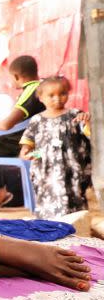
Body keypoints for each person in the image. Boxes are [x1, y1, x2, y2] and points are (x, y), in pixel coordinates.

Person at [19, 76, 92, 219]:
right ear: (40, 98)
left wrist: (88, 122)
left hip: (72, 167)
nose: (57, 98)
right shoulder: (37, 120)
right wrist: (26, 151)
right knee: (48, 196)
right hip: (45, 168)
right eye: (51, 95)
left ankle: (75, 226)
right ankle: (50, 227)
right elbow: (28, 142)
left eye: (62, 93)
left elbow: (88, 133)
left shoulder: (75, 115)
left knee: (74, 196)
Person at [0, 55, 46, 209]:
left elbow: (7, 124)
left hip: (30, 145)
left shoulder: (31, 90)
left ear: (16, 76)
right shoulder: (43, 86)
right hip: (41, 142)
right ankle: (0, 191)